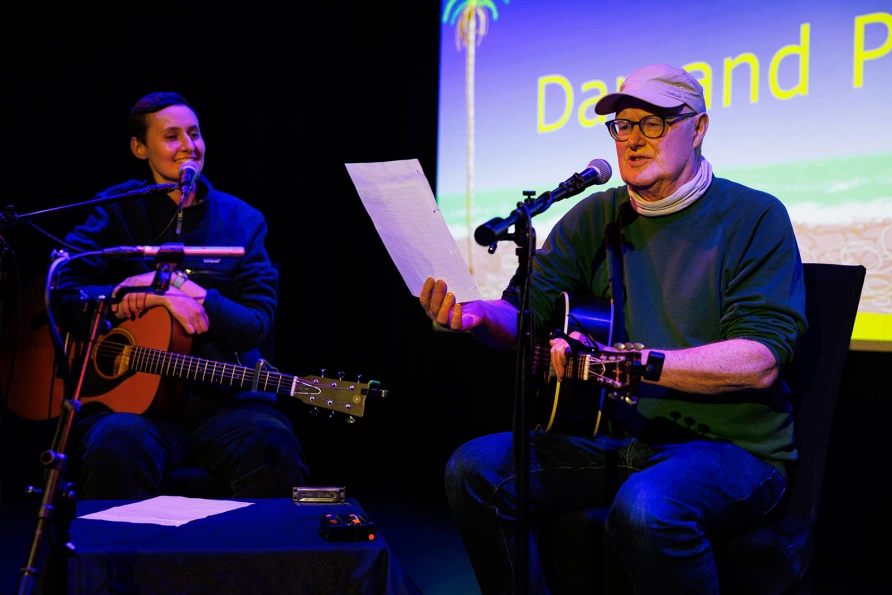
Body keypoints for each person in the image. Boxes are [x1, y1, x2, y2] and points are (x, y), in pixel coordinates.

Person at [419, 63, 808, 594]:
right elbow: (521, 315)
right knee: (475, 470)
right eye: (622, 126)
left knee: (648, 508)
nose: (632, 139)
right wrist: (474, 316)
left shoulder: (755, 216)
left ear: (698, 129)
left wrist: (637, 364)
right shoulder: (594, 215)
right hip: (610, 440)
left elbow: (761, 360)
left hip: (731, 450)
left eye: (653, 124)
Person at [54, 91, 310, 499]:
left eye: (194, 133)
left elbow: (255, 326)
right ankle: (121, 564)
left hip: (228, 405)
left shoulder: (243, 222)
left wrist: (190, 291)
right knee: (115, 443)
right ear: (140, 148)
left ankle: (256, 563)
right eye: (172, 136)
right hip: (135, 408)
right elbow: (63, 289)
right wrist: (134, 293)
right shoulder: (117, 210)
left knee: (273, 446)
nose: (189, 146)